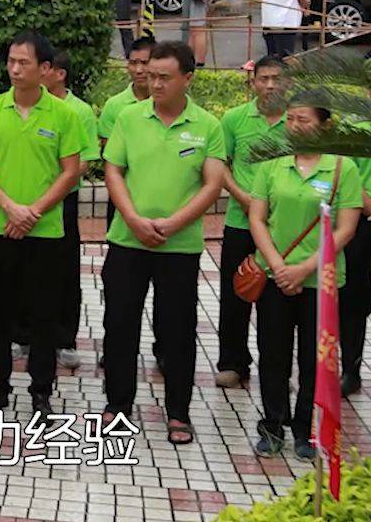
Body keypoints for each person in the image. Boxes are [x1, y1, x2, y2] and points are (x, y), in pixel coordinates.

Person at [99, 41, 227, 445]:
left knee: (177, 332)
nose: (153, 83)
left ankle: (178, 412)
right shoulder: (129, 118)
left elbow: (212, 184)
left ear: (188, 79)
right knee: (119, 325)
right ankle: (117, 405)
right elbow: (113, 171)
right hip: (127, 240)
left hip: (179, 247)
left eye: (164, 77)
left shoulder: (207, 125)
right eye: (150, 75)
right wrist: (134, 220)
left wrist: (172, 224)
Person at [0, 32, 86, 419]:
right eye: (11, 61)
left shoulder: (64, 115)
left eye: (24, 63)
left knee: (44, 314)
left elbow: (72, 171)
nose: (15, 69)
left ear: (45, 69)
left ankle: (41, 391)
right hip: (1, 228)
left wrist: (33, 211)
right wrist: (10, 208)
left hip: (46, 231)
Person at [246, 102, 360, 459]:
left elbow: (345, 229)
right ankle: (272, 424)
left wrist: (304, 268)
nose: (294, 126)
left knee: (314, 359)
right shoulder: (272, 163)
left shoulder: (343, 168)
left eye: (303, 120)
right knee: (272, 353)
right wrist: (279, 266)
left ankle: (303, 429)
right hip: (275, 277)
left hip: (320, 281)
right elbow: (257, 218)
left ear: (325, 125)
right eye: (290, 119)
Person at [215, 55, 290, 389]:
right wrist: (243, 198)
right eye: (264, 79)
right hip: (240, 221)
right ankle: (232, 362)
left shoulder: (297, 122)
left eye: (276, 78)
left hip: (282, 228)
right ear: (253, 82)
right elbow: (219, 165)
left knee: (279, 305)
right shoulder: (234, 120)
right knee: (236, 294)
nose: (270, 85)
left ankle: (277, 370)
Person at [39, 52, 99, 373]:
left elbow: (87, 158)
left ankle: (65, 339)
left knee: (64, 269)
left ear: (58, 74)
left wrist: (59, 179)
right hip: (28, 200)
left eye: (45, 68)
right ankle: (26, 334)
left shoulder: (80, 111)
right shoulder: (28, 107)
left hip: (63, 201)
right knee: (27, 268)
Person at [97, 37, 155, 147]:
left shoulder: (169, 103)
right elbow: (109, 152)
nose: (138, 70)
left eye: (145, 63)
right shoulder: (113, 105)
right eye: (133, 63)